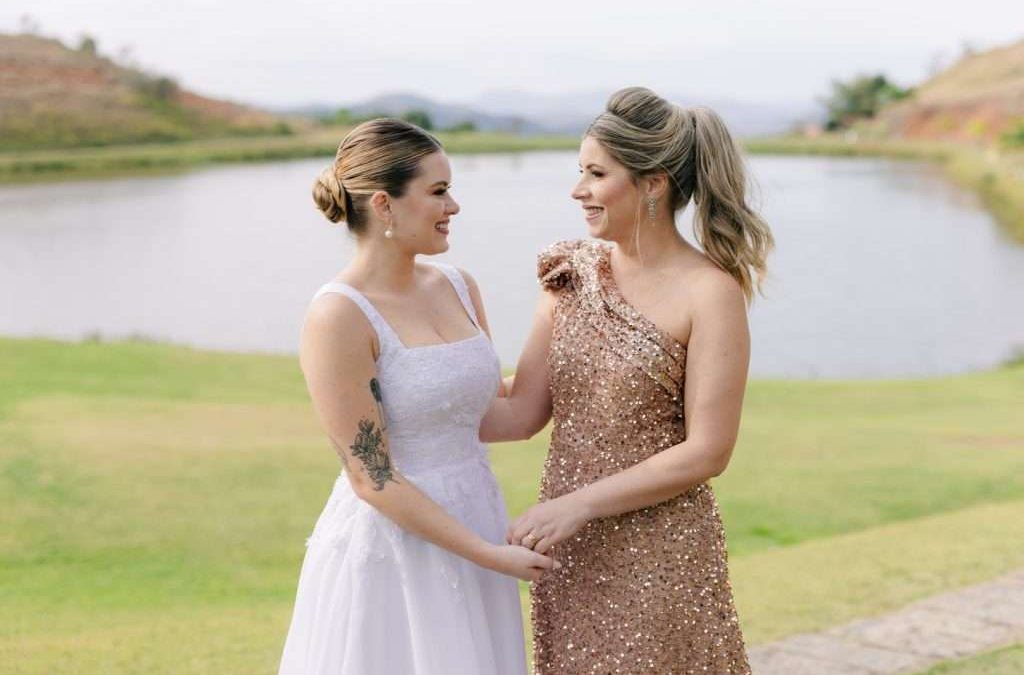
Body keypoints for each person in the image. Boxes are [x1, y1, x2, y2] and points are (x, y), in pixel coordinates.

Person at [480, 87, 773, 674]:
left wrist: (578, 506)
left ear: (653, 183)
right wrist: (404, 397)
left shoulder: (710, 292)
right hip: (572, 553)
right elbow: (520, 411)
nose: (577, 189)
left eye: (595, 173)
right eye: (579, 171)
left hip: (662, 554)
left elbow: (709, 451)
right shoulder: (570, 275)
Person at [279, 118, 553, 675]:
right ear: (384, 204)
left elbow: (509, 416)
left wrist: (558, 303)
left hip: (476, 516)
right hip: (396, 547)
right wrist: (488, 554)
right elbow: (371, 477)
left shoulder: (457, 285)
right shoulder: (338, 315)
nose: (453, 205)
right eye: (438, 191)